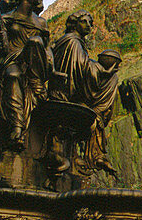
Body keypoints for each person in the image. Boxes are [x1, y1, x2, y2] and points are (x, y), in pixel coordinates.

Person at [51, 11, 121, 175]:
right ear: (75, 24)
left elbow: (81, 66)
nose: (88, 26)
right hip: (66, 92)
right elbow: (79, 68)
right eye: (84, 22)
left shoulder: (76, 43)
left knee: (112, 79)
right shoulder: (72, 42)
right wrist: (102, 71)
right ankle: (94, 153)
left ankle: (95, 154)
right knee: (111, 80)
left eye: (90, 23)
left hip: (73, 88)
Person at [0, 0, 53, 149]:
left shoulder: (41, 23)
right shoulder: (6, 18)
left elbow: (46, 49)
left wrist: (50, 63)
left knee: (35, 41)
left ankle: (36, 81)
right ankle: (17, 126)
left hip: (34, 63)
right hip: (11, 59)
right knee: (13, 75)